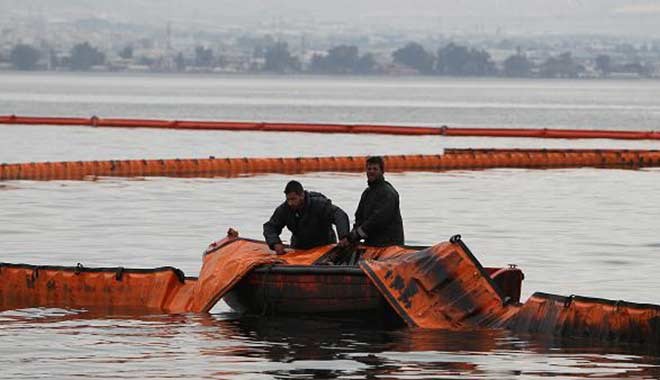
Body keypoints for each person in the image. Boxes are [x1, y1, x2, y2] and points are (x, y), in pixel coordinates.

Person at [263, 180, 350, 254]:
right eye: (288, 199)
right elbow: (270, 226)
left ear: (302, 195)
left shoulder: (319, 205)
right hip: (299, 247)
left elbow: (339, 215)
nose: (290, 203)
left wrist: (343, 236)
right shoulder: (284, 209)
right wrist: (275, 243)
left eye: (293, 199)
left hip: (324, 246)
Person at [342, 156, 404, 247]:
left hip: (389, 245)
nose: (371, 171)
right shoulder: (367, 193)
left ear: (382, 172)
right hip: (372, 243)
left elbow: (377, 221)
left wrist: (354, 236)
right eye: (369, 169)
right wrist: (350, 238)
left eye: (375, 169)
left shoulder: (388, 193)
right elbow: (359, 218)